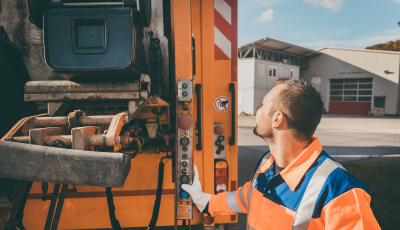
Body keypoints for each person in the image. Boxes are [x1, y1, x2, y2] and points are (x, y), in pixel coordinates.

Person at [182, 80, 381, 230]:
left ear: (277, 118)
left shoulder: (341, 191)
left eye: (262, 104)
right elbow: (249, 196)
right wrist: (205, 201)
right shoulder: (268, 163)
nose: (257, 110)